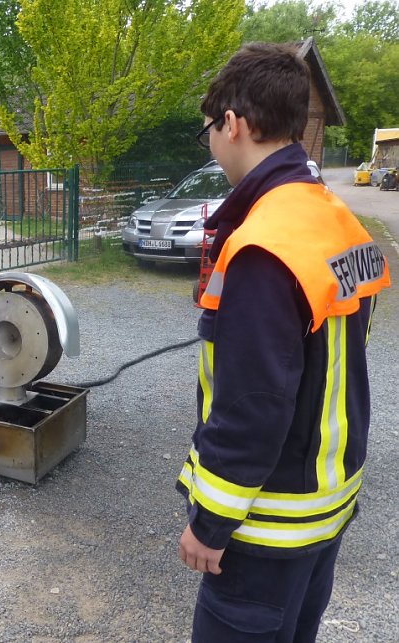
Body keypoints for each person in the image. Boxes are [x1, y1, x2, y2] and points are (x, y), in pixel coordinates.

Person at [176, 43, 390, 641]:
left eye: (208, 133)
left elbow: (255, 406)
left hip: (267, 529)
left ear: (232, 124)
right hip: (323, 513)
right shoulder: (335, 218)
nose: (212, 148)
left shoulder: (262, 246)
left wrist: (210, 523)